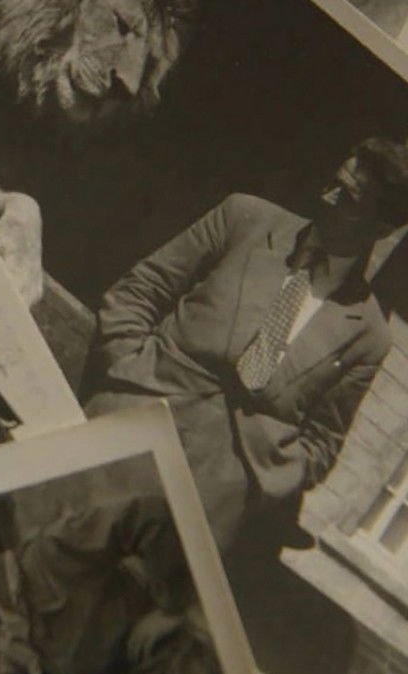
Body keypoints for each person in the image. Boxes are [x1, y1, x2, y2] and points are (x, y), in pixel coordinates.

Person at [84, 137, 408, 551]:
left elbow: (325, 440)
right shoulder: (245, 220)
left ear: (381, 229)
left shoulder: (368, 334)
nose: (325, 196)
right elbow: (138, 292)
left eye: (348, 197)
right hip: (128, 423)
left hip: (213, 501)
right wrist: (129, 376)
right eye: (334, 181)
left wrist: (254, 483)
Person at [0, 495, 233, 674]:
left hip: (179, 665)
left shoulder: (53, 552)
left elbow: (151, 515)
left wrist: (172, 607)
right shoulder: (1, 631)